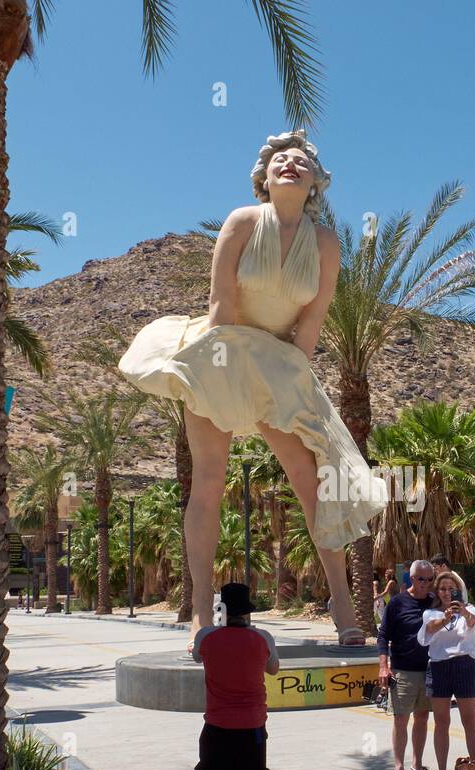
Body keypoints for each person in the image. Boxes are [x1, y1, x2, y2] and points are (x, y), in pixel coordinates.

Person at [120, 129, 388, 652]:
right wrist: (215, 375)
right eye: (279, 160)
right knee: (209, 479)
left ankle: (343, 606)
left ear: (315, 183)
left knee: (313, 484)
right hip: (221, 350)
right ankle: (200, 613)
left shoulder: (326, 243)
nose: (290, 165)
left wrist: (296, 388)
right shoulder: (243, 222)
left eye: (301, 161)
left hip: (279, 364)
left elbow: (309, 326)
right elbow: (220, 304)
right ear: (264, 178)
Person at [188, 582, 280, 770]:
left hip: (216, 726)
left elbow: (196, 655)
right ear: (247, 613)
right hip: (252, 727)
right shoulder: (263, 638)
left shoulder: (206, 637)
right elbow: (273, 668)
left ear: (222, 612)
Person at [417, 571, 475, 770]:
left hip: (464, 665)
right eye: (443, 588)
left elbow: (473, 623)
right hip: (439, 667)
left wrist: (462, 612)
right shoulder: (430, 613)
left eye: (451, 589)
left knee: (470, 721)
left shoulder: (469, 609)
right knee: (441, 722)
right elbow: (426, 635)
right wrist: (443, 618)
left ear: (457, 591)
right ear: (437, 591)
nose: (447, 593)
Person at [377, 559, 437, 770]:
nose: (426, 583)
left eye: (430, 579)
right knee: (401, 719)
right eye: (421, 579)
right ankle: (398, 769)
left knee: (422, 717)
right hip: (403, 670)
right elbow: (383, 636)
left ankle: (417, 765)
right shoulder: (398, 603)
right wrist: (384, 666)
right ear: (411, 578)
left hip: (429, 670)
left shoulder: (435, 602)